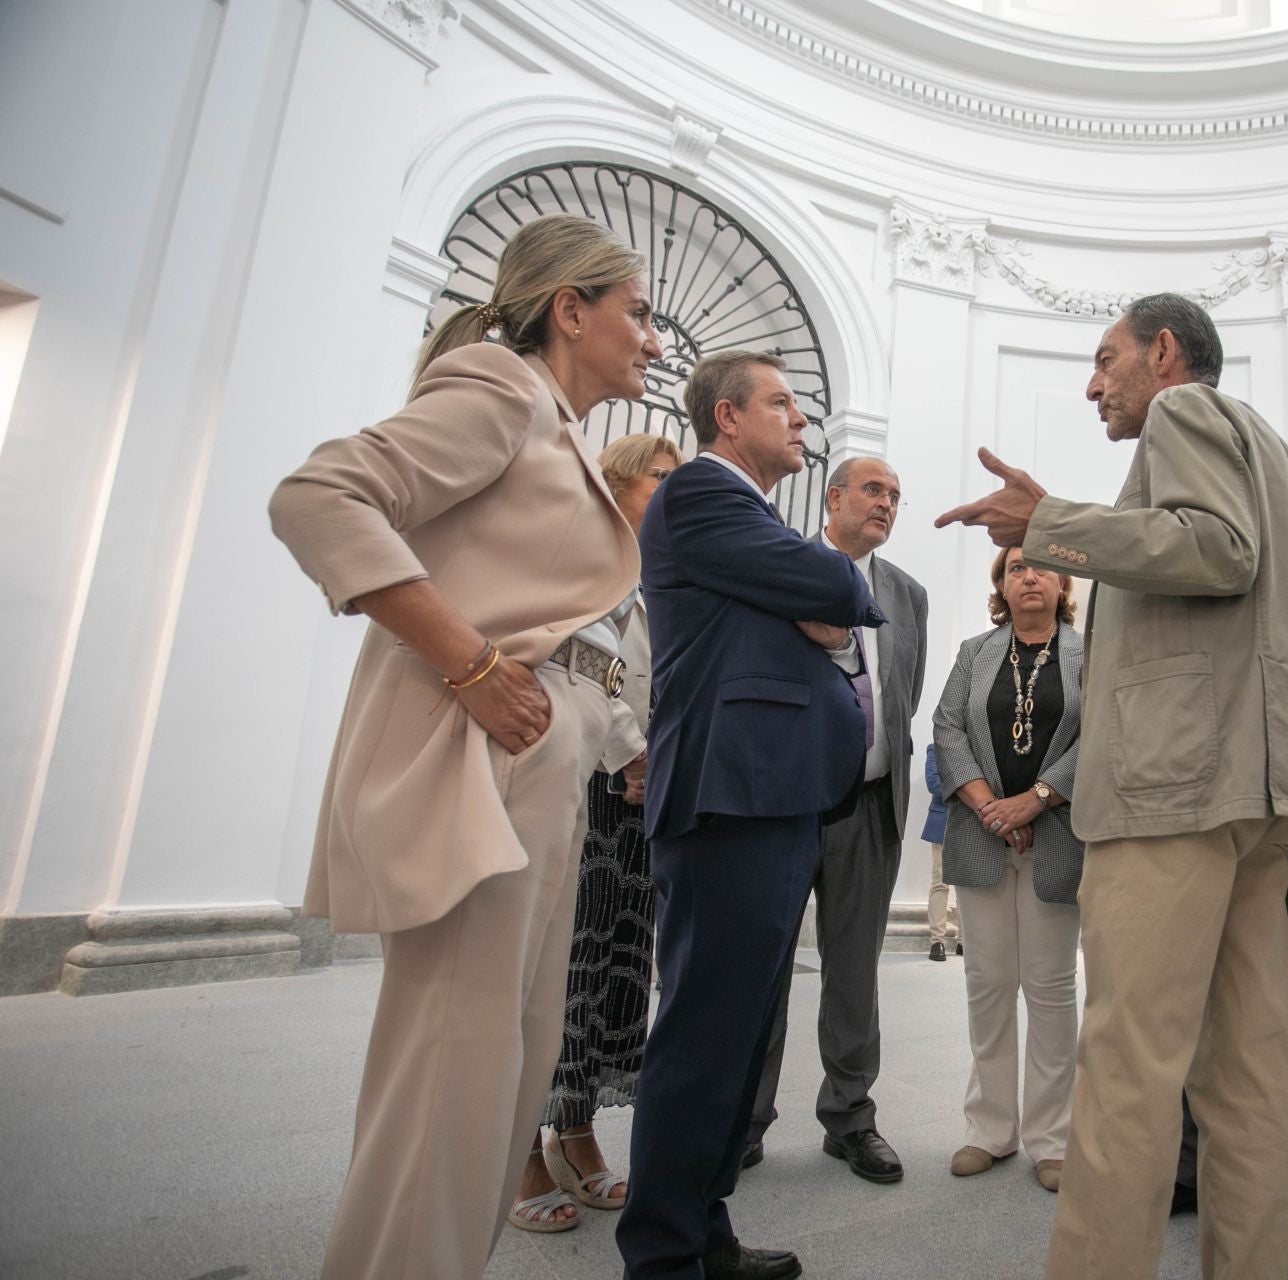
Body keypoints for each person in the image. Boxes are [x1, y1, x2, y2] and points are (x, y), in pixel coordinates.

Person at [937, 292, 1288, 1280]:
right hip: (1255, 791)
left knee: (1128, 1062)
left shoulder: (1184, 413)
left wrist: (1048, 521)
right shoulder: (1283, 456)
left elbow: (1217, 549)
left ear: (1163, 350)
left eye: (1106, 359)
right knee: (1251, 1067)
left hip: (1175, 787)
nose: (1094, 385)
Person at [268, 213, 659, 1275]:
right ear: (570, 310)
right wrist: (473, 664)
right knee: (454, 1069)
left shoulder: (557, 425)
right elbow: (319, 496)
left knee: (503, 1070)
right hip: (487, 756)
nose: (652, 339)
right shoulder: (500, 386)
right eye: (636, 313)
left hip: (543, 761)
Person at [615, 350, 883, 1280]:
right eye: (781, 402)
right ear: (727, 417)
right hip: (729, 796)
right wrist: (824, 594)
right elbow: (844, 590)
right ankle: (662, 1255)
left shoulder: (753, 519)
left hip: (771, 795)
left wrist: (818, 601)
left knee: (736, 1038)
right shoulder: (700, 492)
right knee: (703, 1038)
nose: (801, 418)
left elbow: (829, 609)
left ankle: (705, 1230)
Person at [508, 433, 682, 1231]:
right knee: (559, 969)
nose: (672, 490)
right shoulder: (584, 560)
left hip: (639, 803)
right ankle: (520, 1151)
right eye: (659, 477)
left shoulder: (656, 577)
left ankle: (575, 1130)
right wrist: (631, 750)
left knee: (616, 966)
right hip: (585, 784)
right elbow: (580, 669)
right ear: (615, 485)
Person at [747, 457, 928, 1182]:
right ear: (834, 498)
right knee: (764, 971)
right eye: (874, 490)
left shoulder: (907, 594)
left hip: (871, 805)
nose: (886, 504)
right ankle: (744, 1119)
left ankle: (850, 1117)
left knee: (854, 972)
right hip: (785, 807)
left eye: (895, 496)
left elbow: (902, 694)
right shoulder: (781, 569)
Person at [932, 547, 1086, 1192]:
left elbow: (1100, 735)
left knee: (1050, 989)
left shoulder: (1088, 653)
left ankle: (1052, 1138)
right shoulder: (976, 653)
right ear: (1001, 583)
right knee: (988, 983)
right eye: (1016, 567)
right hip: (983, 837)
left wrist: (1036, 800)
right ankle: (989, 1128)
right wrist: (992, 809)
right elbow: (947, 729)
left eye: (1042, 566)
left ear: (1061, 582)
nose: (1029, 576)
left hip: (1058, 837)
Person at [923, 743, 961, 960]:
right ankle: (937, 941)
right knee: (940, 883)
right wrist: (968, 791)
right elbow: (934, 784)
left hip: (969, 823)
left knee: (967, 884)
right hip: (943, 823)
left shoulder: (973, 747)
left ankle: (964, 940)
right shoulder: (934, 749)